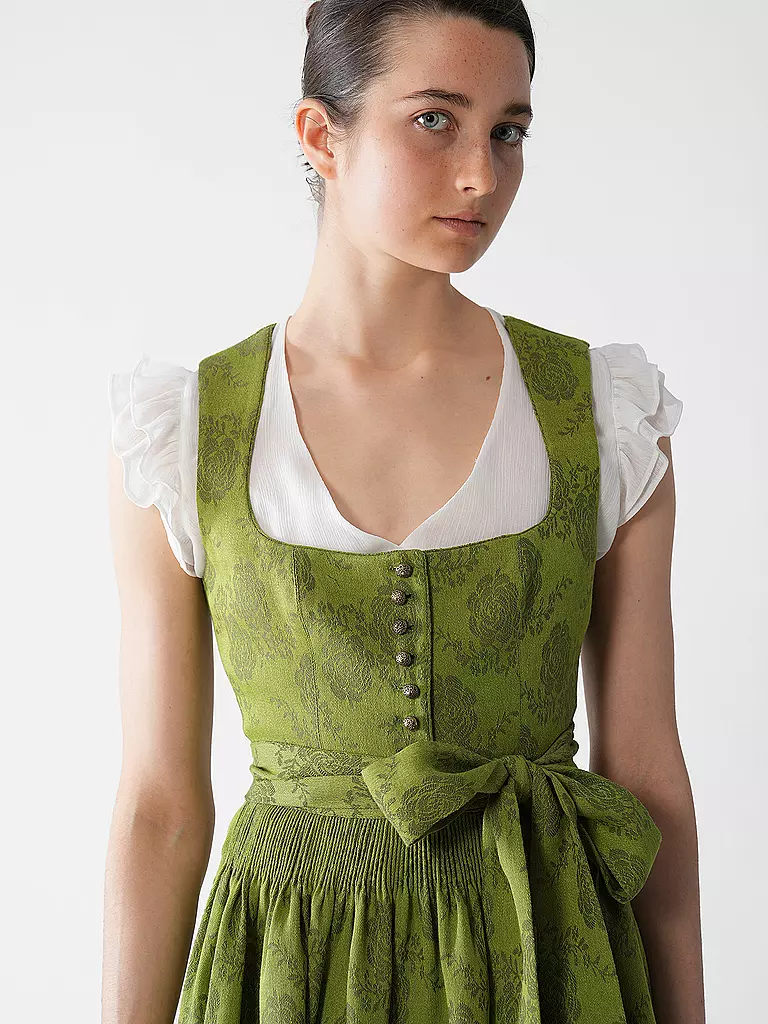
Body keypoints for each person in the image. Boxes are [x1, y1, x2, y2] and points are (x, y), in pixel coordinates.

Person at [103, 2, 705, 1022]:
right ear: (320, 135)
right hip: (287, 967)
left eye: (508, 131)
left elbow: (646, 775)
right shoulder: (185, 431)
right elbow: (160, 806)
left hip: (547, 956)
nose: (482, 175)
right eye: (436, 120)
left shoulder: (605, 415)